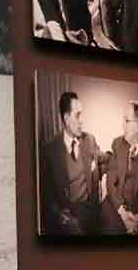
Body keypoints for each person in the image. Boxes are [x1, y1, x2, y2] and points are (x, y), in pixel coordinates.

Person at [41, 91, 101, 235]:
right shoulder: (50, 150)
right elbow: (47, 194)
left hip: (91, 211)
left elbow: (104, 158)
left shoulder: (89, 140)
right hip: (68, 216)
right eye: (78, 115)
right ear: (67, 119)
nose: (82, 121)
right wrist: (61, 216)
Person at [101, 101, 138, 235]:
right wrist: (122, 212)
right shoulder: (117, 144)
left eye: (127, 121)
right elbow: (110, 183)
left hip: (137, 212)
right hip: (116, 206)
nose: (123, 125)